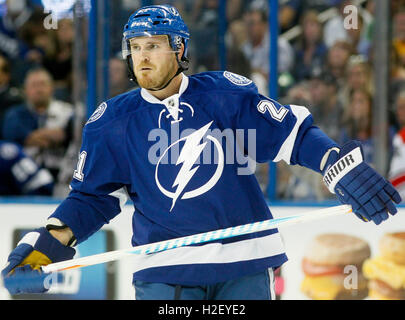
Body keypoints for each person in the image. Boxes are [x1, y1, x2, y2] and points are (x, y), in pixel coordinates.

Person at [1, 4, 401, 300]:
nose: (141, 56)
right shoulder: (112, 122)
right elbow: (90, 198)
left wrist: (338, 165)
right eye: (135, 46)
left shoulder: (224, 96)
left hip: (244, 266)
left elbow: (292, 134)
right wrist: (47, 243)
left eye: (153, 46)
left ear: (179, 49)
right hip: (165, 270)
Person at [2, 68, 74, 180]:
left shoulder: (68, 111)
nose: (39, 89)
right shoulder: (14, 114)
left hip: (62, 173)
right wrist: (53, 136)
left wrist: (32, 136)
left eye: (43, 84)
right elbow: (13, 136)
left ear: (52, 88)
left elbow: (68, 136)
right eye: (34, 85)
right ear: (25, 90)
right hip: (24, 177)